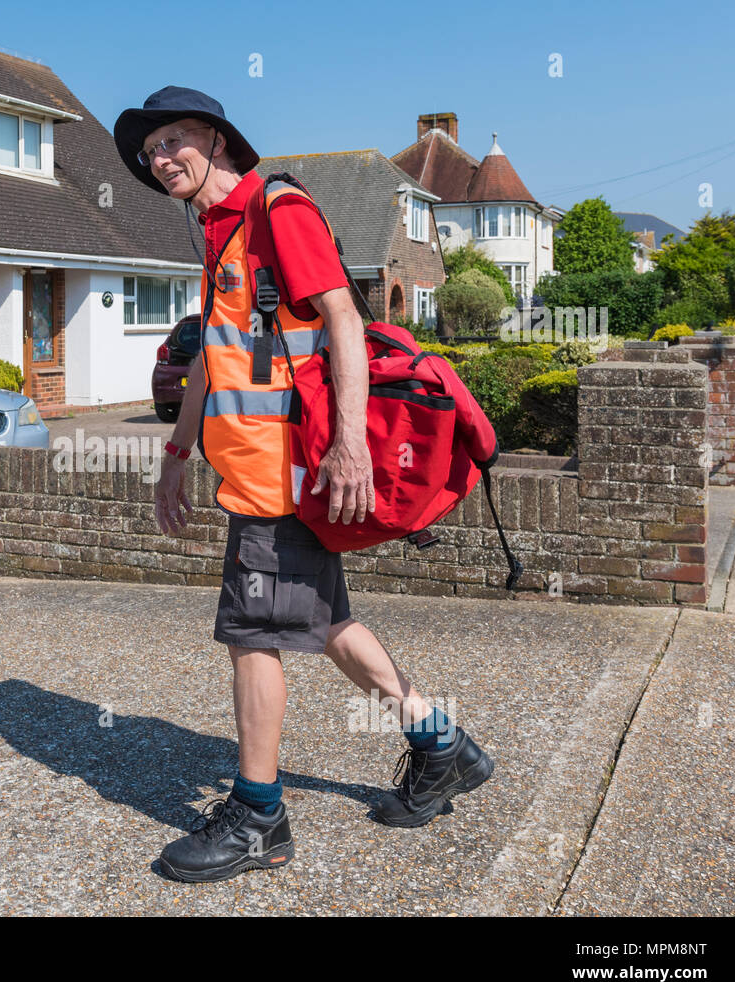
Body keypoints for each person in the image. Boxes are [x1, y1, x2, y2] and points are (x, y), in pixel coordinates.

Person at [113, 86, 494, 883]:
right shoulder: (220, 234)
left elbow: (344, 319)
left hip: (284, 479)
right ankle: (441, 743)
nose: (159, 159)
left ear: (216, 140)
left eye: (173, 140)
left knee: (253, 634)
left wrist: (350, 445)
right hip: (255, 474)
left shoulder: (276, 209)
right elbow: (216, 361)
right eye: (150, 152)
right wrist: (178, 454)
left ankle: (259, 817)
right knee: (323, 623)